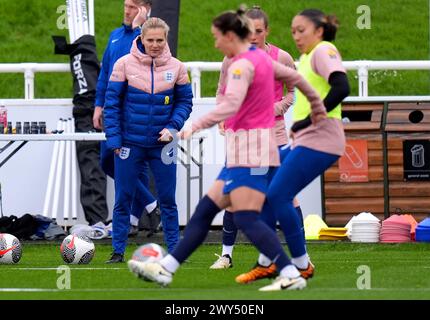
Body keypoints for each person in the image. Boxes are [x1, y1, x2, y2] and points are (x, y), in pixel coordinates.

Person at [127, 7, 326, 291]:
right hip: (245, 150)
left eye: (217, 37)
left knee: (246, 215)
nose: (215, 42)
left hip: (253, 152)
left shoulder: (241, 65)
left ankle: (290, 271)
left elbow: (230, 106)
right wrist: (316, 111)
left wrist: (192, 127)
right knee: (206, 210)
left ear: (230, 35)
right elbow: (299, 80)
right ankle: (166, 269)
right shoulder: (256, 59)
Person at [243, 8, 349, 287]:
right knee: (269, 197)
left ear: (319, 31)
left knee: (278, 195)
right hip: (308, 138)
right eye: (293, 31)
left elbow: (342, 87)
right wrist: (301, 123)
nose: (296, 36)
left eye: (301, 30)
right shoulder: (305, 58)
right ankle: (267, 262)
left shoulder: (324, 50)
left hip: (322, 140)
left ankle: (301, 265)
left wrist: (313, 117)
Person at [209, 7, 306, 280]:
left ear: (267, 31)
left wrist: (274, 109)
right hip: (241, 135)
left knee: (286, 194)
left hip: (273, 134)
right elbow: (221, 91)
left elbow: (293, 91)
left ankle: (301, 257)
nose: (252, 36)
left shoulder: (282, 57)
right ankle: (226, 255)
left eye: (258, 31)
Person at [104, 17, 193, 260]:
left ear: (166, 40)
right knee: (123, 197)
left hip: (163, 145)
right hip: (129, 143)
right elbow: (110, 104)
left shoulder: (177, 68)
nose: (155, 44)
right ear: (141, 38)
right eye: (150, 39)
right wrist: (114, 139)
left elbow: (185, 102)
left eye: (159, 40)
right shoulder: (123, 64)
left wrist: (173, 127)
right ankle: (117, 251)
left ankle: (175, 252)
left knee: (167, 200)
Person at [94, 0, 160, 263]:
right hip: (113, 110)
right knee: (107, 160)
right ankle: (149, 202)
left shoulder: (149, 38)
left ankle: (124, 235)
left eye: (133, 6)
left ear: (145, 9)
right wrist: (98, 104)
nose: (126, 10)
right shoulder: (114, 36)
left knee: (132, 166)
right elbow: (106, 72)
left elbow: (137, 62)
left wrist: (137, 29)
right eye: (125, 5)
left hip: (135, 112)